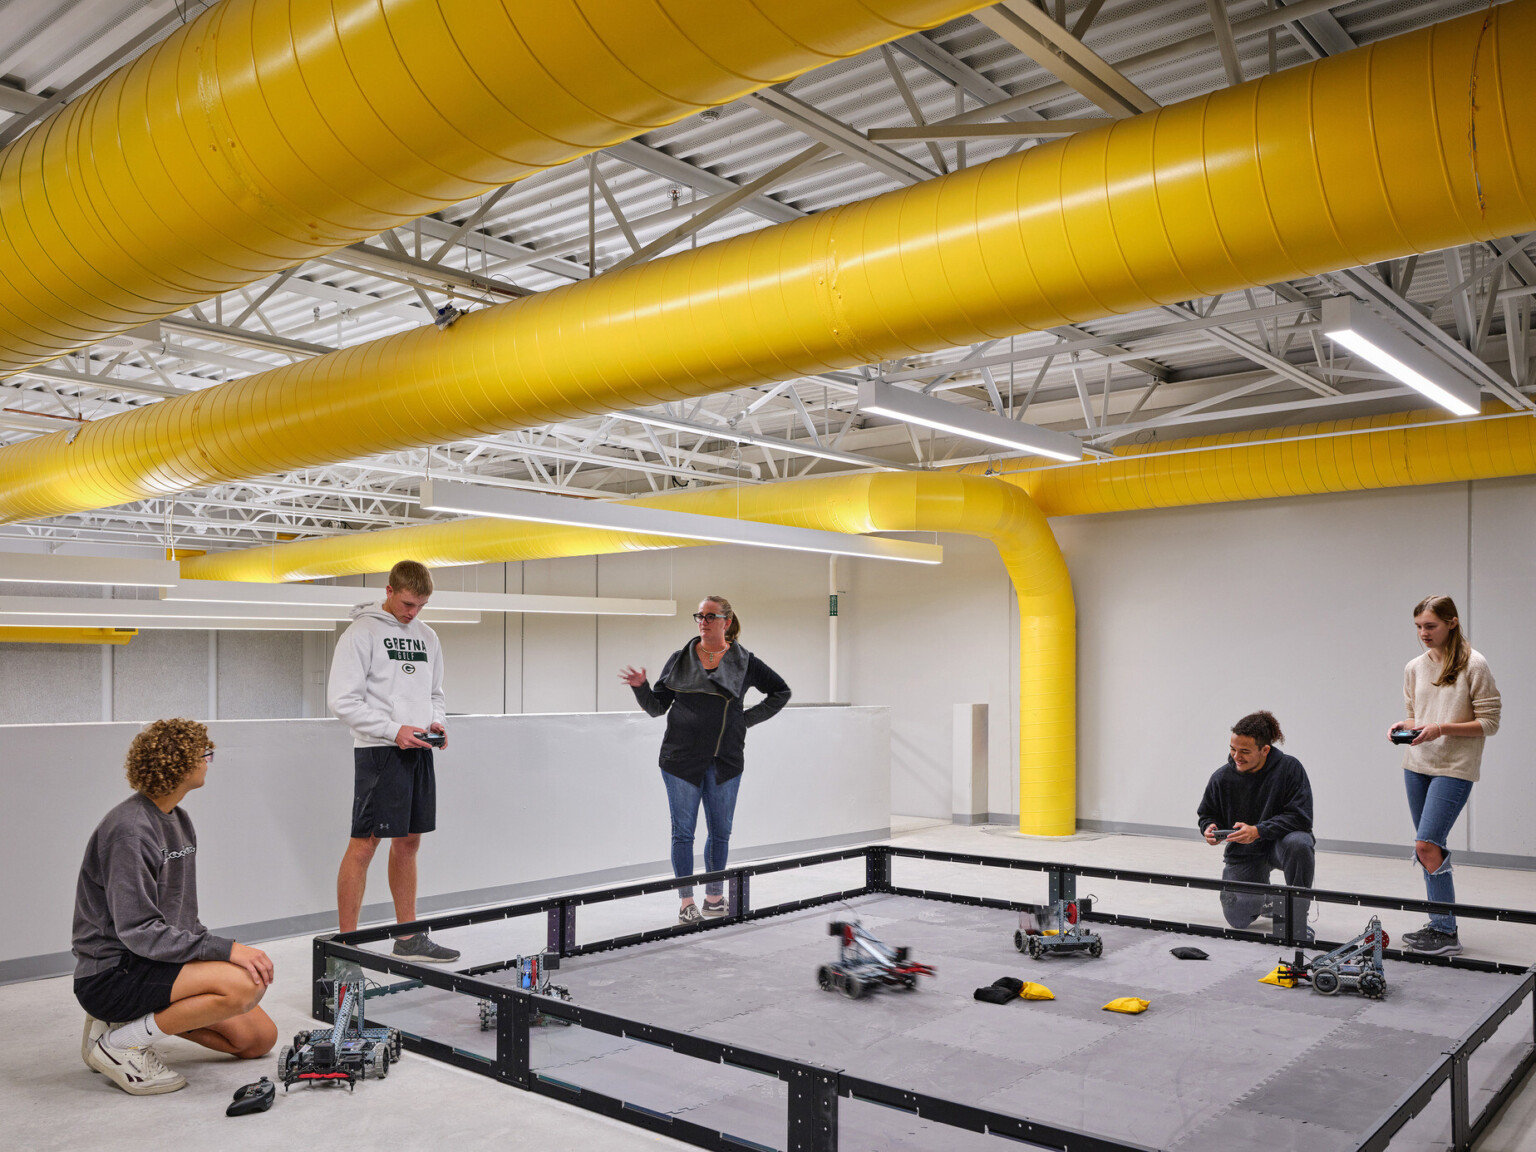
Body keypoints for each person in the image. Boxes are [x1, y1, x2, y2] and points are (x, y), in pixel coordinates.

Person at [73, 718, 277, 1096]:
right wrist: (226, 950)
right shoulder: (130, 830)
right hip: (112, 974)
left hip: (155, 960)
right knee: (241, 985)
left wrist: (215, 952)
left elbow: (180, 914)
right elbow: (139, 931)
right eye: (205, 755)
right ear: (181, 765)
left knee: (258, 1040)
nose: (207, 761)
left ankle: (126, 1026)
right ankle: (120, 1045)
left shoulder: (178, 820)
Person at [619, 595, 791, 925]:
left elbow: (780, 692)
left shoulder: (745, 661)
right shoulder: (680, 659)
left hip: (724, 759)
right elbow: (657, 708)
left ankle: (714, 898)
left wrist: (746, 719)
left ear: (727, 621)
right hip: (680, 759)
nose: (703, 621)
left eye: (710, 616)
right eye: (700, 615)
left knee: (720, 832)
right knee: (683, 833)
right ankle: (686, 901)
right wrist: (641, 688)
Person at [329, 559, 459, 962]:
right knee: (364, 844)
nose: (412, 612)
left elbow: (435, 692)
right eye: (406, 603)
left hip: (418, 749)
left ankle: (408, 937)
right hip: (378, 751)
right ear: (388, 591)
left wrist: (436, 722)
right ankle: (347, 948)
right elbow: (342, 700)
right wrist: (392, 730)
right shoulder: (361, 633)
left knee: (409, 841)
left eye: (420, 605)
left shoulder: (428, 636)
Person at [1389, 594, 1500, 956]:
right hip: (1416, 766)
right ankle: (1440, 923)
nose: (1423, 632)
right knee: (1428, 849)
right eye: (1419, 626)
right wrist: (1401, 726)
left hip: (1454, 768)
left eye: (1431, 626)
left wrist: (1441, 729)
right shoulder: (1414, 667)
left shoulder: (1475, 665)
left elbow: (1489, 723)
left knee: (1426, 845)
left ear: (1452, 622)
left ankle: (1445, 930)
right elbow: (1415, 715)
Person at [1197, 711, 1316, 937]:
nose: (1236, 757)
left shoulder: (1290, 769)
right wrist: (1209, 827)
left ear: (1265, 750)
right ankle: (1271, 899)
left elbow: (1301, 817)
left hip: (1281, 845)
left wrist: (1259, 831)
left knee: (1300, 843)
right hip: (1245, 852)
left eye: (1244, 751)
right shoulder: (1222, 778)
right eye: (1232, 749)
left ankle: (1296, 919)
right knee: (1238, 919)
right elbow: (1206, 813)